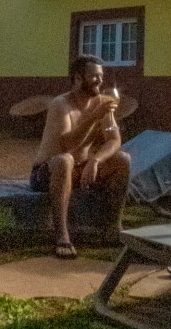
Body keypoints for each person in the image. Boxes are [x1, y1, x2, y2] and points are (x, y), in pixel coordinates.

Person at [30, 54, 131, 259]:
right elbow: (67, 145)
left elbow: (114, 140)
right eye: (94, 76)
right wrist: (94, 116)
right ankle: (62, 236)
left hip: (80, 169)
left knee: (123, 160)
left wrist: (95, 160)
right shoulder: (61, 104)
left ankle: (112, 228)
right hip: (47, 173)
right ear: (77, 78)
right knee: (64, 160)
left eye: (101, 76)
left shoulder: (103, 103)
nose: (100, 81)